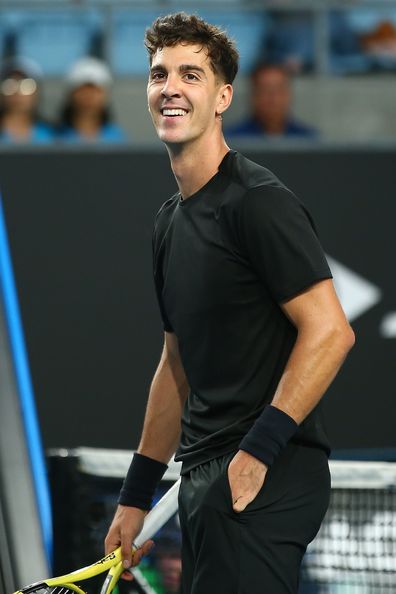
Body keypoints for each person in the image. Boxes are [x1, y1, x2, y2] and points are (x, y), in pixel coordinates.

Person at [105, 12, 355, 594]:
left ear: (222, 98)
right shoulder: (169, 222)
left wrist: (257, 452)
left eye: (190, 75)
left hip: (263, 474)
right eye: (159, 74)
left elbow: (331, 331)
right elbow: (176, 364)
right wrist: (135, 498)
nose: (170, 87)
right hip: (205, 477)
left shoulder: (258, 203)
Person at [226, 62, 318, 138]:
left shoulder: (308, 140)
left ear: (289, 95)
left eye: (278, 89)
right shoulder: (233, 140)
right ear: (253, 96)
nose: (273, 98)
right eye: (265, 90)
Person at [57, 57, 127, 143]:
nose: (89, 96)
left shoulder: (117, 138)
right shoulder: (55, 138)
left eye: (96, 90)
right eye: (82, 89)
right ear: (70, 94)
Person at [0, 57, 54, 144]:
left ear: (37, 92)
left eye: (26, 86)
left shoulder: (53, 135)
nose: (17, 92)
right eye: (9, 85)